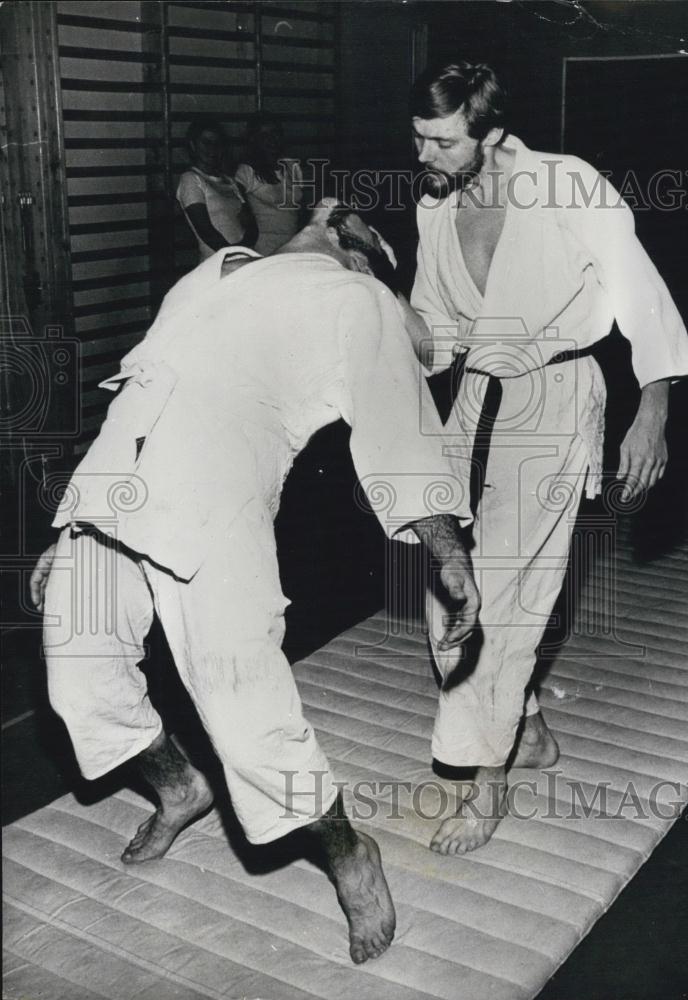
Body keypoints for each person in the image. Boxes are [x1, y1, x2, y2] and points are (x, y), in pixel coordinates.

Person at [29, 202, 480, 964]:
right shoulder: (216, 271)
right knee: (79, 681)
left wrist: (444, 546)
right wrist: (68, 525)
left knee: (248, 723)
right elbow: (136, 394)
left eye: (357, 223)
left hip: (218, 507)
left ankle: (348, 854)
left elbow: (396, 429)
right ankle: (180, 788)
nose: (334, 211)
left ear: (362, 250)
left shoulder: (356, 299)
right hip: (112, 497)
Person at [399, 60, 688, 855]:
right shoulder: (436, 204)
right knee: (446, 578)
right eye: (419, 137)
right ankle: (523, 728)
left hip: (559, 395)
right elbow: (435, 337)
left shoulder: (568, 185)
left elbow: (643, 293)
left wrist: (654, 410)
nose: (424, 154)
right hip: (477, 398)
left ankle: (484, 781)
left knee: (510, 595)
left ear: (491, 133)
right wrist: (371, 286)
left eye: (441, 140)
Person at [176, 117, 257, 261]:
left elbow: (251, 226)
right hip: (217, 263)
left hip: (242, 261)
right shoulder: (190, 179)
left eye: (217, 143)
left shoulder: (230, 182)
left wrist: (244, 254)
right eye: (206, 142)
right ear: (193, 146)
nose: (212, 148)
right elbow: (206, 231)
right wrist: (233, 257)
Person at [235, 113, 303, 255]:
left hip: (293, 249)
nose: (271, 139)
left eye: (275, 133)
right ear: (254, 140)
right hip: (264, 252)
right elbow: (237, 213)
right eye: (264, 135)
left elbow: (303, 210)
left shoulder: (293, 166)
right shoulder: (246, 172)